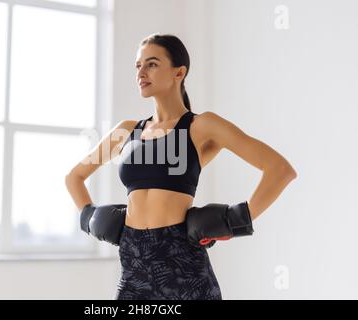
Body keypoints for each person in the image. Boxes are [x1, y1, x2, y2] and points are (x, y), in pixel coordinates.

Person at [65, 33, 297, 300]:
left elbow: (279, 170)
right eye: (138, 65)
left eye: (151, 64)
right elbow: (75, 177)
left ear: (179, 72)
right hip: (133, 265)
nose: (141, 72)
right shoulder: (125, 132)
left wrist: (235, 220)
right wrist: (91, 219)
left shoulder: (202, 127)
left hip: (184, 266)